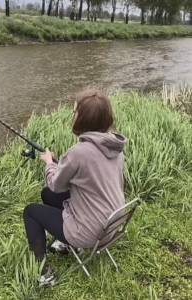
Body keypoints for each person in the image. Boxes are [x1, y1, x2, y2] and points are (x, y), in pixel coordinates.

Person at [23, 88, 127, 285]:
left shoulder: (78, 152)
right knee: (47, 195)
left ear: (83, 119)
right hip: (111, 226)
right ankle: (66, 245)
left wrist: (48, 162)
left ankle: (44, 273)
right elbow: (84, 177)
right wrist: (59, 164)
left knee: (31, 212)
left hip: (90, 231)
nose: (73, 114)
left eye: (75, 111)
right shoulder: (115, 147)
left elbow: (56, 184)